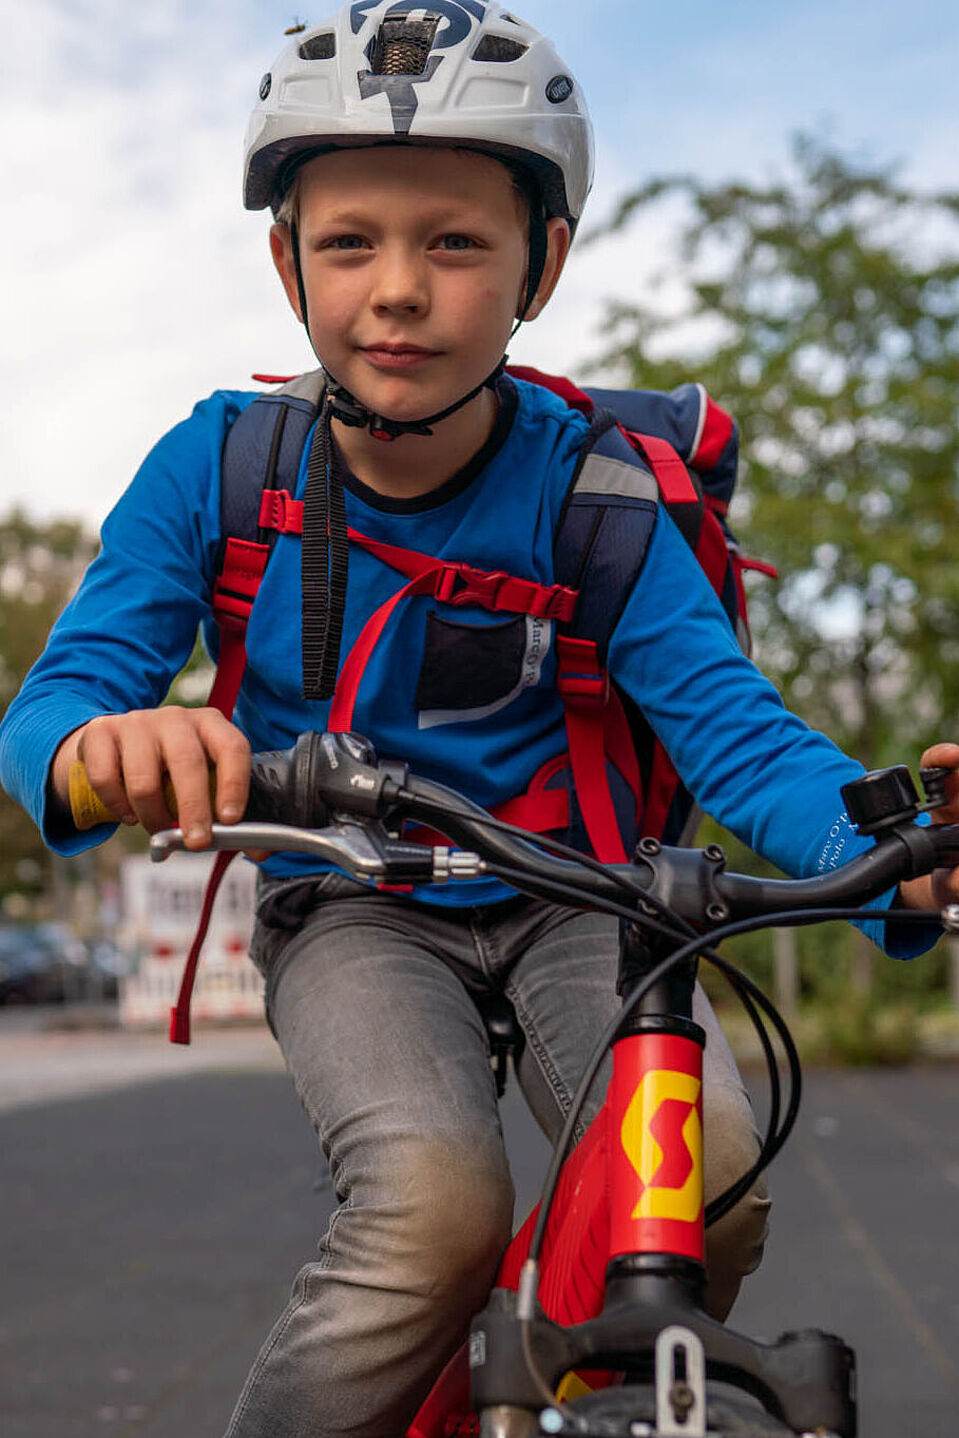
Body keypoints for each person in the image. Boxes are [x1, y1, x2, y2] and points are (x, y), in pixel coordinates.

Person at [2, 5, 958, 1436]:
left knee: (704, 1175)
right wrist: (101, 745)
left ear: (541, 266)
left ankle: (542, 1389)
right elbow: (54, 709)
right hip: (354, 902)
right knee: (435, 1202)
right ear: (287, 263)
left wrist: (911, 855)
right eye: (349, 243)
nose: (398, 290)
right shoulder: (217, 466)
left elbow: (740, 741)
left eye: (454, 243)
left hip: (593, 898)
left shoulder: (604, 500)